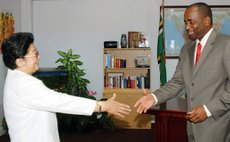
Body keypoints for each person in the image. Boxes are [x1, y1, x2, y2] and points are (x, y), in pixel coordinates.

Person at [1, 32, 131, 142]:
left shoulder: (15, 78)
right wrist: (101, 106)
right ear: (20, 61)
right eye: (35, 54)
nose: (38, 57)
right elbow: (61, 101)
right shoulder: (24, 84)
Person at [135, 2, 230, 142]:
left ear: (206, 21)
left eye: (191, 22)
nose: (187, 27)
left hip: (216, 125)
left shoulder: (226, 44)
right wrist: (154, 97)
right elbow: (178, 81)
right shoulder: (186, 49)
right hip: (191, 125)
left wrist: (208, 110)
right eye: (185, 22)